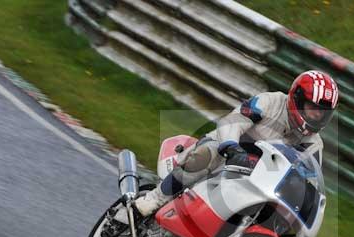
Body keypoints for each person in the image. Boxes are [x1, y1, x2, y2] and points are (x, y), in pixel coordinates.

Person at [128, 70, 338, 219]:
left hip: (259, 181)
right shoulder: (270, 102)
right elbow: (232, 122)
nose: (317, 115)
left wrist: (307, 202)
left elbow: (309, 180)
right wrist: (230, 146)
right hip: (228, 151)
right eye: (313, 107)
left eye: (322, 112)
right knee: (203, 156)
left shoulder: (313, 144)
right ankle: (155, 198)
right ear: (298, 99)